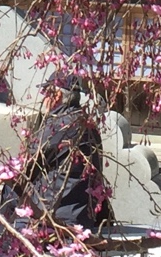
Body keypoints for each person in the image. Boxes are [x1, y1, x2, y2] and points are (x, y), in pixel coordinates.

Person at [10, 79, 111, 232]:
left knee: (10, 195)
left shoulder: (57, 126)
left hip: (52, 213)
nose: (44, 99)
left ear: (56, 95)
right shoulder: (87, 124)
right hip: (81, 214)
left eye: (46, 93)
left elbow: (28, 168)